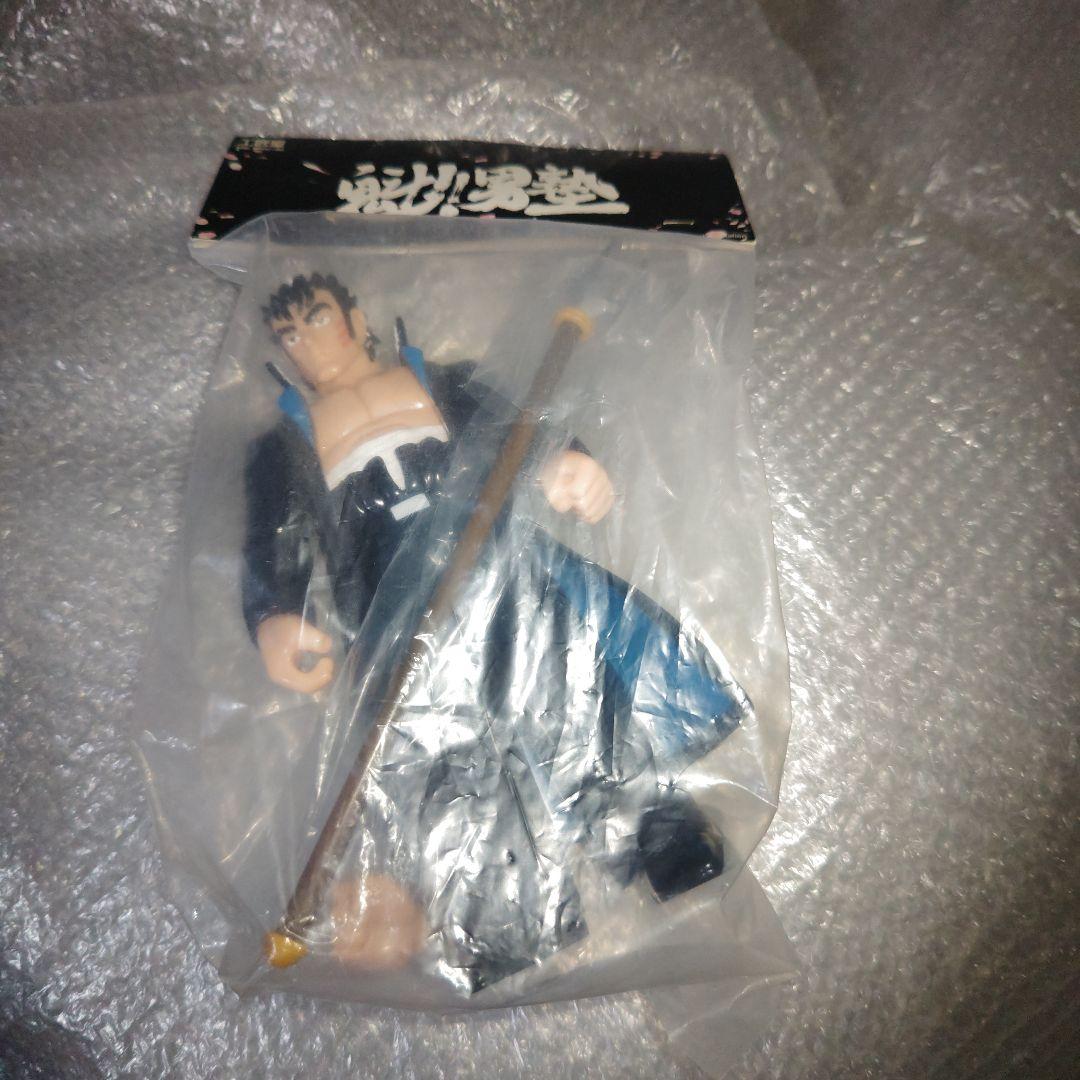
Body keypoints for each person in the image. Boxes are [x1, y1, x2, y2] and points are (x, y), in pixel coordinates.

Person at [244, 273, 750, 993]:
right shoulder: (281, 449)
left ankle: (656, 829)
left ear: (355, 317)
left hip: (500, 566)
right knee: (450, 762)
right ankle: (503, 914)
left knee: (573, 699)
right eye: (289, 334)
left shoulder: (449, 383)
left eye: (317, 318)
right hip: (394, 616)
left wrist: (564, 460)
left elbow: (524, 429)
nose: (307, 342)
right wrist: (273, 614)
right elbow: (270, 540)